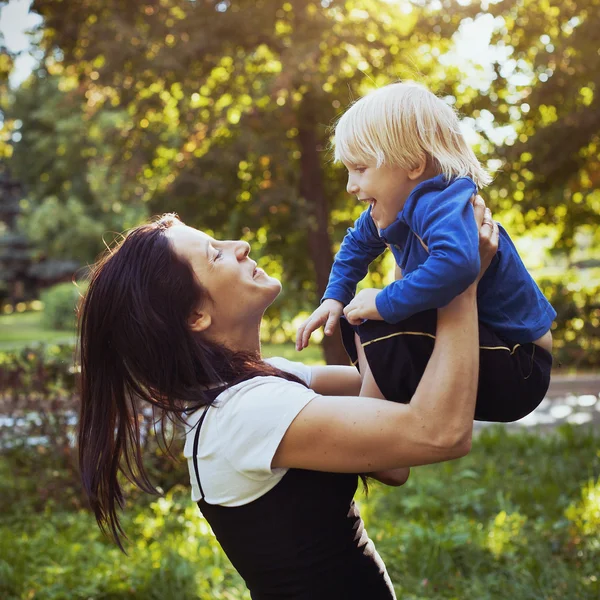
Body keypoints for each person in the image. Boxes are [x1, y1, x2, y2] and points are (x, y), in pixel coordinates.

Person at [77, 201, 497, 599]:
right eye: (215, 254)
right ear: (194, 316)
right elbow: (440, 433)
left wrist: (420, 276)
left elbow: (388, 411)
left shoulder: (259, 383)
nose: (238, 246)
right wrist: (460, 286)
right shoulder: (246, 413)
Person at [297, 81, 555, 422]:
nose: (350, 186)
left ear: (414, 164)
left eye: (360, 169)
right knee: (358, 314)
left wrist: (385, 300)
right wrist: (334, 298)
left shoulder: (441, 202)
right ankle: (375, 412)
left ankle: (375, 425)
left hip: (519, 362)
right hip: (490, 348)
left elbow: (458, 264)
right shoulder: (397, 206)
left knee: (380, 313)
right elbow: (355, 245)